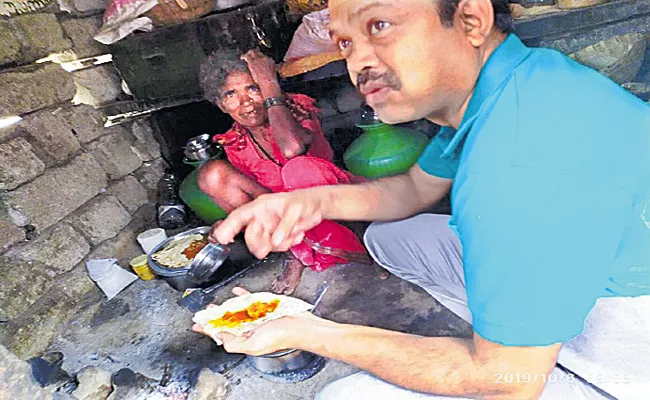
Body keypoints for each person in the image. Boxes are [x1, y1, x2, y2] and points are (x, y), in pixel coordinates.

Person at [199, 0, 650, 399]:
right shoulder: (515, 80)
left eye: (379, 26)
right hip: (598, 261)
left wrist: (312, 332)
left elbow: (509, 381)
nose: (360, 64)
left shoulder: (513, 166)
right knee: (393, 237)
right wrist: (306, 203)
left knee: (345, 395)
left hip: (629, 337)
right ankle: (520, 321)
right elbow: (413, 189)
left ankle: (561, 358)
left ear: (471, 19)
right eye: (346, 43)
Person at [197, 49, 368, 295]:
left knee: (298, 169)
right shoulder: (236, 142)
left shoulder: (295, 110)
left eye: (253, 88)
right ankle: (294, 254)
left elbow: (292, 148)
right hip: (291, 216)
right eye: (231, 94)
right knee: (211, 174)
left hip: (332, 199)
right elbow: (261, 197)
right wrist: (238, 220)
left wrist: (269, 85)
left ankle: (362, 238)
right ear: (221, 105)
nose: (245, 102)